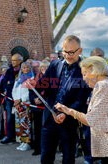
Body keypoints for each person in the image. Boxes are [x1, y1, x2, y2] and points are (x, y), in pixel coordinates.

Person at [55, 56, 108, 164]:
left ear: (95, 71)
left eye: (85, 74)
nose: (83, 78)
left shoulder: (104, 86)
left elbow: (91, 119)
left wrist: (68, 111)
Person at [27, 35, 91, 164]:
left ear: (80, 51)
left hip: (69, 122)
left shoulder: (85, 71)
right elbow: (40, 86)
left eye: (71, 52)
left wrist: (65, 115)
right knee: (46, 157)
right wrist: (33, 94)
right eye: (65, 51)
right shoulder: (55, 64)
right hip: (49, 118)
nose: (67, 55)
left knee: (68, 158)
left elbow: (80, 100)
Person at [0, 53, 24, 145]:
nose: (13, 62)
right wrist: (7, 87)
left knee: (22, 118)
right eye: (12, 60)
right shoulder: (9, 70)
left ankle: (22, 138)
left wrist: (11, 83)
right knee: (9, 118)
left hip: (21, 99)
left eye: (15, 60)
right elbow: (5, 82)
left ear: (20, 61)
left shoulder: (23, 69)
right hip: (10, 98)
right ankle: (9, 137)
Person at [29, 60, 50, 156]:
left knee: (46, 129)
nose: (44, 69)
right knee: (37, 128)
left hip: (47, 107)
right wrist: (34, 99)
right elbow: (31, 92)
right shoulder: (35, 79)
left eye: (46, 67)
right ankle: (37, 148)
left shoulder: (52, 79)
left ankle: (46, 148)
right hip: (36, 107)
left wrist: (43, 99)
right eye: (42, 68)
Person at [12, 62, 34, 151]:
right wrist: (16, 100)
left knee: (25, 124)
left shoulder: (32, 78)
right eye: (24, 67)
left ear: (30, 68)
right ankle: (22, 142)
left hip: (25, 104)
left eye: (27, 67)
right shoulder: (18, 79)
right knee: (19, 124)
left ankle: (27, 143)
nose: (25, 69)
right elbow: (14, 91)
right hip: (18, 105)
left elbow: (30, 92)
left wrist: (21, 100)